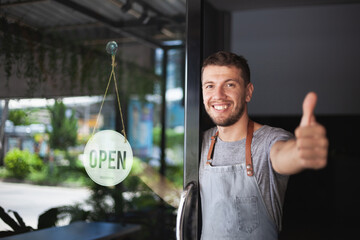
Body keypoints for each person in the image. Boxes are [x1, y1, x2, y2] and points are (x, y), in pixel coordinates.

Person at [199, 51, 328, 240]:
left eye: (229, 84)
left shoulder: (269, 140)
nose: (218, 95)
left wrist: (300, 153)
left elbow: (284, 154)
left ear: (248, 92)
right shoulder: (200, 142)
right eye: (210, 86)